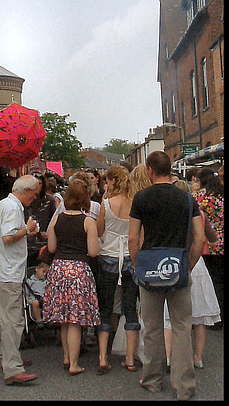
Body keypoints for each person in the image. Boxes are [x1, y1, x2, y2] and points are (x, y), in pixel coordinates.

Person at [129, 151, 205, 401]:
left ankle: (152, 379)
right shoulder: (186, 198)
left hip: (149, 268)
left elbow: (132, 237)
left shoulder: (141, 198)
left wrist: (138, 264)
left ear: (150, 170)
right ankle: (184, 386)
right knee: (182, 327)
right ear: (170, 169)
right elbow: (199, 238)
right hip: (178, 267)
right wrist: (189, 265)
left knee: (152, 327)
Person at [0, 174, 40, 385]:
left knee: (4, 319)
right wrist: (27, 229)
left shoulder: (1, 205)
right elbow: (8, 237)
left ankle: (9, 358)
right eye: (33, 195)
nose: (34, 198)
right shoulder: (13, 208)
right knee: (13, 320)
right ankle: (13, 368)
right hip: (9, 271)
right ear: (25, 191)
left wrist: (22, 232)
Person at [42, 177, 100, 375]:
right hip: (78, 270)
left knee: (63, 318)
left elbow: (51, 247)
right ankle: (74, 364)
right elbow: (93, 252)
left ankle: (66, 357)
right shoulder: (88, 222)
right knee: (75, 318)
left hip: (58, 268)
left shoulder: (57, 219)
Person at [96, 165, 140, 375]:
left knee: (105, 307)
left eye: (107, 181)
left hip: (110, 255)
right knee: (130, 307)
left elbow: (99, 231)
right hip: (130, 258)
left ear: (113, 181)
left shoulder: (106, 203)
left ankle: (103, 357)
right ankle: (130, 358)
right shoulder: (135, 203)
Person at [164, 209, 220, 370]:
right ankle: (197, 357)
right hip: (196, 263)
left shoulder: (170, 214)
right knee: (200, 315)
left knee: (169, 315)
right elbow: (212, 240)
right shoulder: (200, 214)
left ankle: (169, 356)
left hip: (174, 260)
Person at [193, 167, 224, 326]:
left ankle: (213, 315)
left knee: (209, 281)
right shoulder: (222, 197)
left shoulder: (197, 198)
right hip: (221, 244)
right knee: (220, 280)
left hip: (204, 245)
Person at [25, 261, 50, 327]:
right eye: (43, 271)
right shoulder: (30, 282)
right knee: (35, 303)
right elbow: (27, 294)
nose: (44, 274)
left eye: (46, 273)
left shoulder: (46, 282)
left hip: (44, 298)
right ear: (37, 269)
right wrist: (28, 300)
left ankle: (49, 319)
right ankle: (39, 320)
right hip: (34, 299)